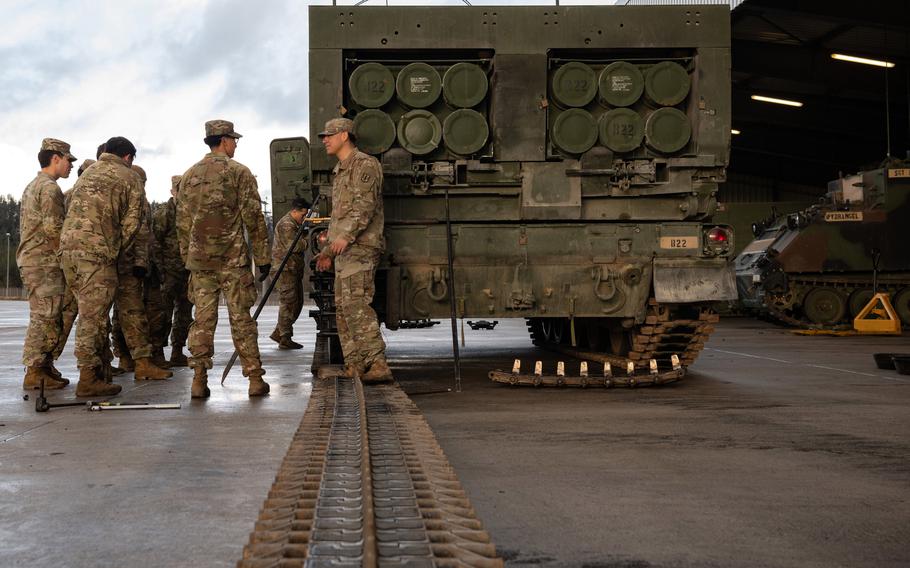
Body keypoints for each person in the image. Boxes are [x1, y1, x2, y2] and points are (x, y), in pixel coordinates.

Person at [176, 120, 271, 398]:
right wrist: (263, 258)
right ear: (225, 140)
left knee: (202, 321)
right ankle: (254, 379)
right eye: (234, 140)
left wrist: (188, 257)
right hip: (232, 261)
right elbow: (254, 218)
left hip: (200, 263)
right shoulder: (239, 173)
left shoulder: (189, 176)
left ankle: (198, 380)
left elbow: (182, 223)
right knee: (241, 318)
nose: (235, 145)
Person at [60, 136, 144, 397]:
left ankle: (99, 371)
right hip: (97, 254)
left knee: (86, 312)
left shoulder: (89, 172)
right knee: (93, 317)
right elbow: (132, 225)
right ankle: (87, 378)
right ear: (128, 157)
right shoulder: (129, 178)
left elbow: (69, 205)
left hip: (69, 251)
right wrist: (114, 249)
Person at [314, 118, 393, 383]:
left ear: (345, 135)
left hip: (360, 247)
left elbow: (364, 207)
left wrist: (345, 237)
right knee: (344, 309)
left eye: (329, 135)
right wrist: (327, 251)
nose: (325, 139)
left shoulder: (364, 164)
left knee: (357, 306)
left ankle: (377, 363)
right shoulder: (340, 170)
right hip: (345, 251)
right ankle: (355, 364)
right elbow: (338, 217)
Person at [18, 138, 76, 390]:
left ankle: (43, 367)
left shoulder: (34, 185)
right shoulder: (50, 188)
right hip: (43, 262)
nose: (70, 166)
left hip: (35, 260)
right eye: (68, 160)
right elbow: (54, 230)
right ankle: (34, 371)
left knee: (48, 314)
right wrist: (68, 261)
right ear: (55, 158)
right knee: (44, 315)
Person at [109, 164, 172, 379]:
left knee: (154, 313)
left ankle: (151, 355)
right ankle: (126, 357)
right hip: (130, 265)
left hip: (148, 266)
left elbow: (149, 236)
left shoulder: (141, 202)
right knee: (125, 313)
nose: (142, 186)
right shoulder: (130, 199)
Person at [150, 175, 192, 366]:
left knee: (184, 314)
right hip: (167, 273)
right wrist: (160, 271)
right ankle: (157, 353)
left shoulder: (191, 213)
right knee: (163, 315)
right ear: (172, 191)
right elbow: (154, 243)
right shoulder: (163, 213)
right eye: (179, 189)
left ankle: (177, 351)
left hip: (186, 271)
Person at [269, 197, 311, 349]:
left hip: (292, 269)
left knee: (296, 303)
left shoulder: (294, 224)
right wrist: (308, 239)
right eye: (303, 215)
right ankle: (284, 337)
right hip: (284, 270)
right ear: (295, 211)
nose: (304, 218)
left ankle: (279, 333)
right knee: (288, 303)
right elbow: (293, 246)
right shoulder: (287, 224)